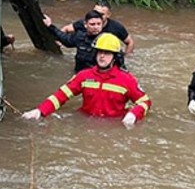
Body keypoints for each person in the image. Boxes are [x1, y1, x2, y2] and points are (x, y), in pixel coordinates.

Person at [22, 34, 150, 128]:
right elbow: (60, 96)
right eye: (100, 52)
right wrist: (40, 111)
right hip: (86, 124)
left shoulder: (126, 80)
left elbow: (145, 102)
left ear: (115, 57)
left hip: (114, 126)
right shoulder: (83, 76)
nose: (102, 56)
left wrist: (134, 114)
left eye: (107, 53)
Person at [62, 1, 134, 56]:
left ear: (108, 15)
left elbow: (130, 42)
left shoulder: (116, 27)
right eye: (95, 12)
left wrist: (126, 57)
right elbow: (66, 29)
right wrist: (59, 44)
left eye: (101, 14)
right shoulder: (85, 23)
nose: (97, 16)